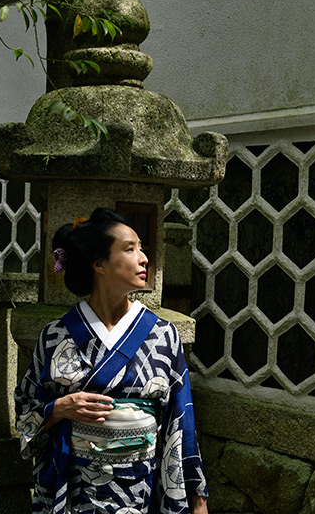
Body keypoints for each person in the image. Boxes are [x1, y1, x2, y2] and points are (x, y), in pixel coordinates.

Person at [15, 207, 208, 514]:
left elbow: (181, 420)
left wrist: (197, 498)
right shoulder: (55, 335)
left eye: (142, 248)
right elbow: (26, 406)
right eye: (130, 249)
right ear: (99, 264)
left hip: (140, 491)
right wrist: (60, 408)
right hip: (75, 492)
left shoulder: (163, 335)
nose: (144, 258)